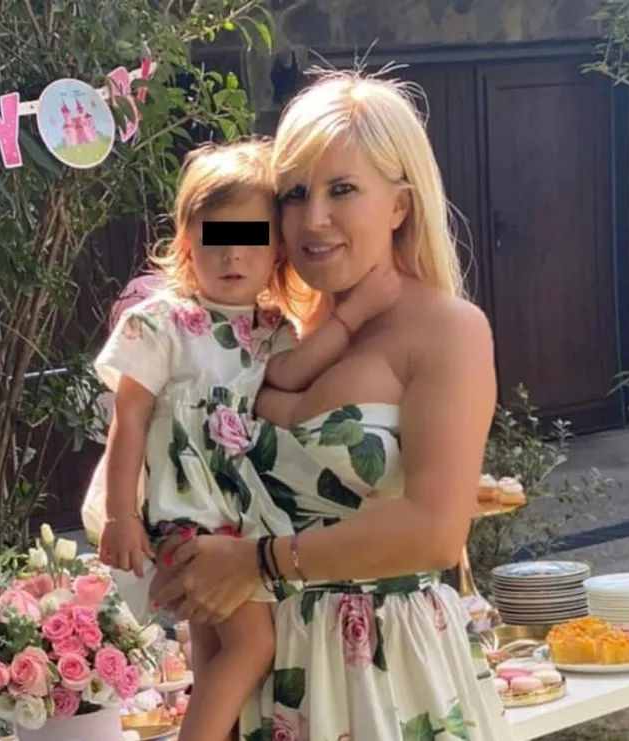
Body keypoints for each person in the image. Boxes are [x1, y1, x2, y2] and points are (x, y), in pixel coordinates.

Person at [149, 70, 511, 740]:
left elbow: (436, 532)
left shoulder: (447, 329)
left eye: (342, 189)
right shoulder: (272, 336)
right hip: (262, 679)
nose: (312, 218)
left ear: (400, 204)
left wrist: (257, 562)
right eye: (294, 193)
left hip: (382, 679)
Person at [85, 138, 397, 741]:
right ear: (186, 243)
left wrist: (352, 317)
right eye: (215, 238)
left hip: (244, 516)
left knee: (213, 647)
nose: (233, 254)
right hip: (187, 513)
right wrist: (121, 514)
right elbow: (129, 418)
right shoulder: (161, 323)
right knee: (254, 644)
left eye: (251, 237)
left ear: (277, 248)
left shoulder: (273, 329)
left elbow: (295, 376)